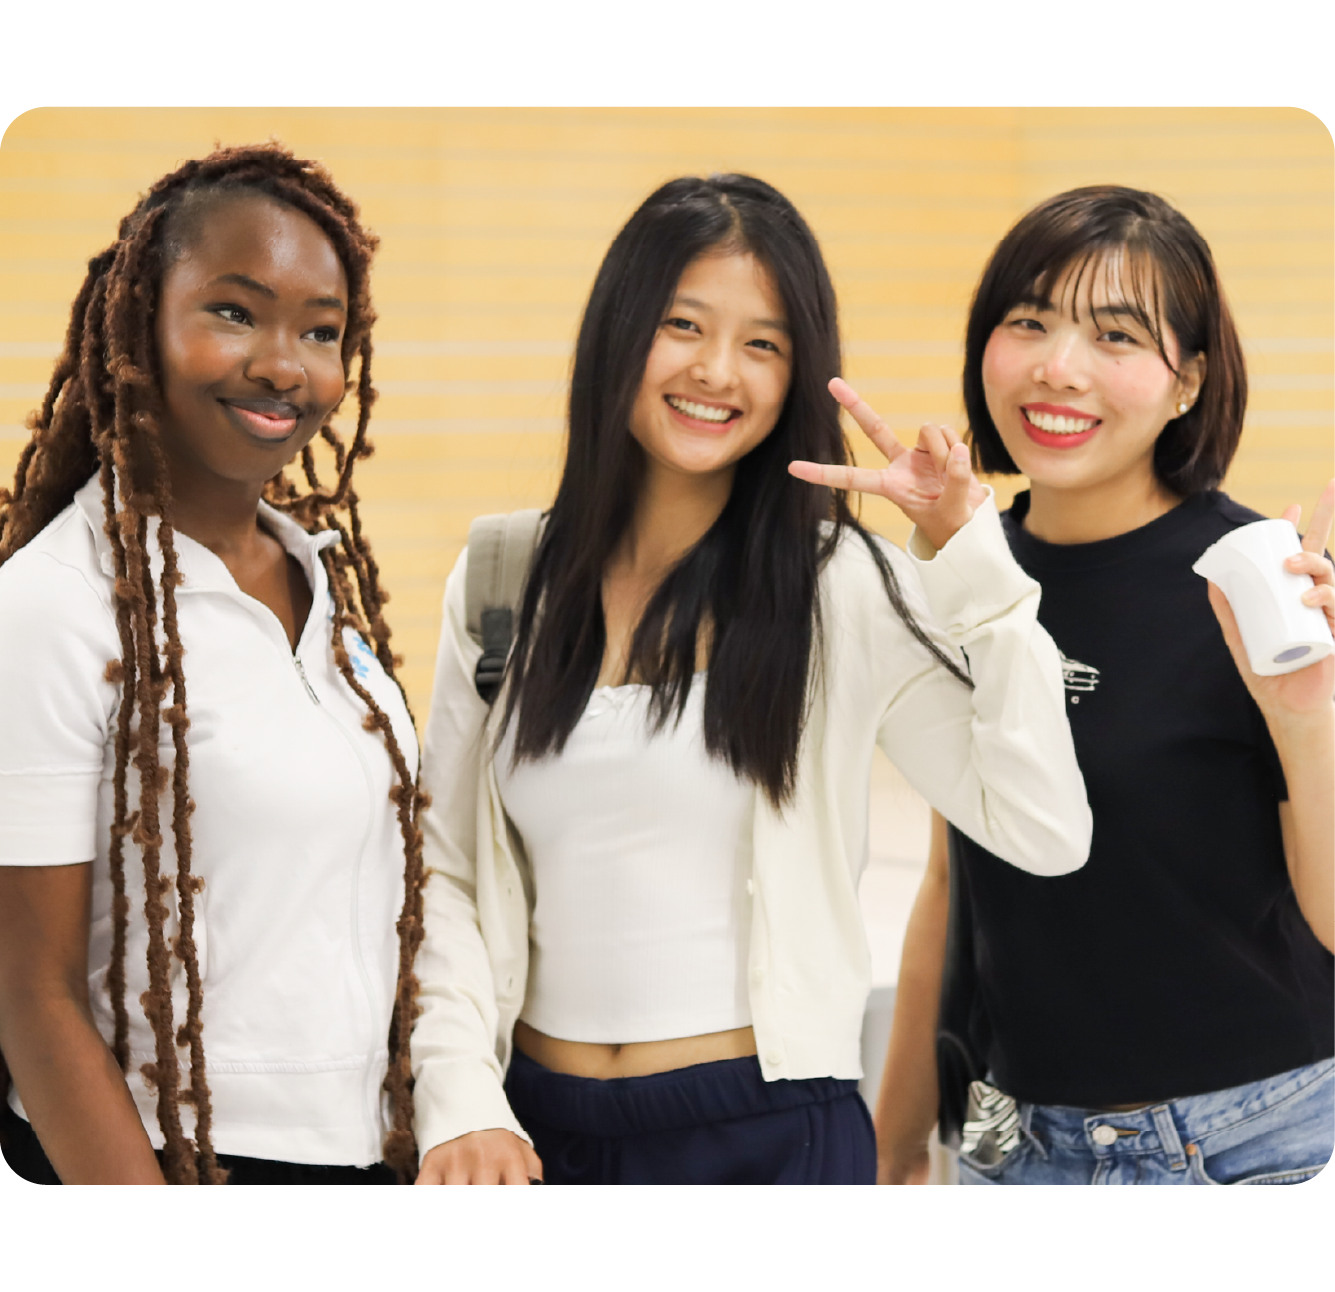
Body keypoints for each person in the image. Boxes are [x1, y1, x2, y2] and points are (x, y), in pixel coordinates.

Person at [408, 173, 1092, 1186]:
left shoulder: (842, 586)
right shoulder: (503, 574)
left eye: (763, 344)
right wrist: (460, 1097)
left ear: (797, 375)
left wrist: (972, 565)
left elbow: (1043, 830)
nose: (717, 370)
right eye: (682, 324)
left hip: (766, 1137)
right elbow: (445, 870)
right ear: (619, 329)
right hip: (532, 1132)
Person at [874, 184, 1335, 1186]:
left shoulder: (1259, 584)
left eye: (1115, 336)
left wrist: (1310, 719)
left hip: (1254, 1143)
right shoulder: (972, 573)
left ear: (1188, 381)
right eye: (1028, 321)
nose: (1058, 366)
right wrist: (895, 1141)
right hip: (1015, 1144)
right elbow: (952, 882)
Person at [0, 145, 428, 1185]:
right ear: (138, 323)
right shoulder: (54, 605)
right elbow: (31, 994)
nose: (285, 366)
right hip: (171, 1161)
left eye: (320, 331)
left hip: (362, 1156)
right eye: (235, 313)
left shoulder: (318, 580)